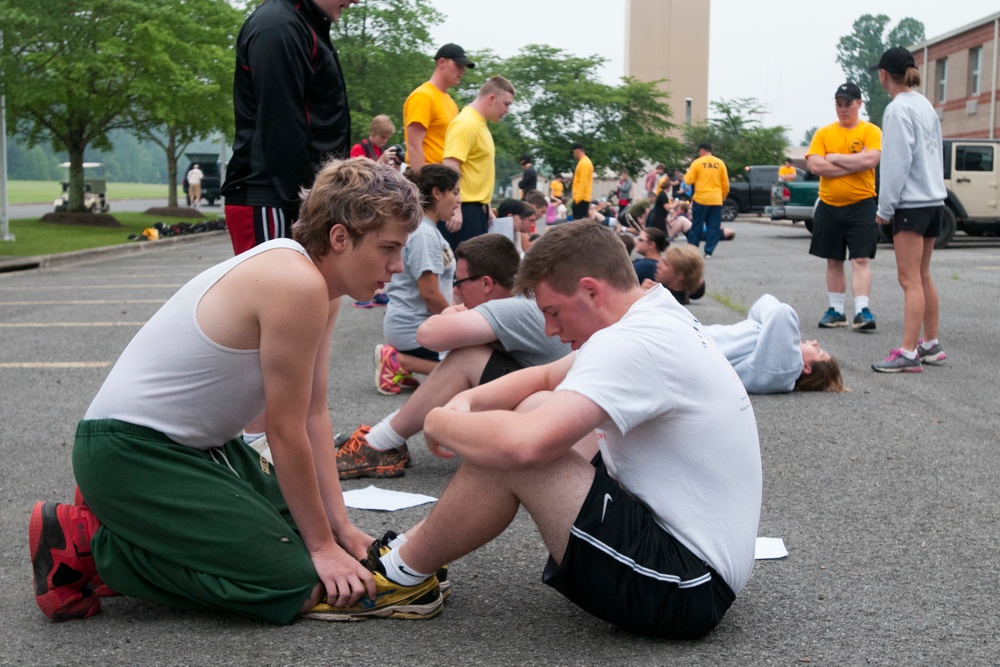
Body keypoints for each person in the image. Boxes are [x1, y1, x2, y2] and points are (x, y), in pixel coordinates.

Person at [28, 159, 447, 625]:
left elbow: (313, 416)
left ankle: (142, 525)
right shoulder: (296, 282)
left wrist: (340, 530)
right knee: (293, 578)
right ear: (340, 237)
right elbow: (284, 430)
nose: (396, 266)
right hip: (128, 453)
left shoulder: (320, 287)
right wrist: (323, 549)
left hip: (196, 450)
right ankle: (87, 542)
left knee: (305, 527)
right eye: (388, 248)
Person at [348, 221, 761, 638]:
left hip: (686, 587)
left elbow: (525, 446)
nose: (549, 329)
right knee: (537, 407)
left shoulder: (630, 343)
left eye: (553, 312)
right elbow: (547, 378)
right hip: (694, 567)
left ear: (590, 290)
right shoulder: (654, 311)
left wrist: (438, 420)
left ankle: (398, 578)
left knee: (517, 450)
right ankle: (411, 553)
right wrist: (466, 402)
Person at [336, 234, 572, 479]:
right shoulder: (521, 299)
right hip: (557, 408)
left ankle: (379, 442)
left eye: (460, 282)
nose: (455, 289)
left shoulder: (512, 307)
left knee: (468, 356)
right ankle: (384, 436)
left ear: (487, 284)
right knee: (473, 351)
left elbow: (428, 335)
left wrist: (456, 307)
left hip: (555, 416)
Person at [221, 0, 359, 256]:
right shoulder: (278, 25)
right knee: (275, 297)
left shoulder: (304, 24)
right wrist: (309, 208)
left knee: (309, 295)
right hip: (272, 196)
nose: (357, 1)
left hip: (297, 198)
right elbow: (282, 127)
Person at [871, 47, 948, 373]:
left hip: (911, 204)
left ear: (885, 75)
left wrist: (884, 208)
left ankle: (907, 352)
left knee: (909, 280)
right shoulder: (925, 105)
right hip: (933, 201)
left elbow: (895, 163)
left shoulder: (897, 109)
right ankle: (930, 345)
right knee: (923, 275)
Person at [806, 82, 882, 332]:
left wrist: (836, 158)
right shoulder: (824, 133)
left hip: (862, 204)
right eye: (839, 104)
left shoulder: (870, 131)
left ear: (859, 103)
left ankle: (862, 311)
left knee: (860, 258)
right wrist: (855, 163)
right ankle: (836, 311)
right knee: (833, 259)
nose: (843, 109)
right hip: (829, 205)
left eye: (848, 103)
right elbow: (815, 166)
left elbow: (872, 158)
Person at [377, 165, 459, 394]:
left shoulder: (428, 230)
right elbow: (430, 294)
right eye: (454, 192)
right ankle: (398, 361)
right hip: (413, 329)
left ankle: (404, 364)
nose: (458, 200)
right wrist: (459, 322)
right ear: (437, 192)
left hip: (417, 325)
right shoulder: (424, 233)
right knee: (470, 368)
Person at [704, 295, 844, 394]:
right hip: (701, 342)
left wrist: (772, 325)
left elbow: (783, 312)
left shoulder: (786, 367)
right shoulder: (777, 351)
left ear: (807, 368)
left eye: (818, 351)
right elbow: (763, 302)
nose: (815, 342)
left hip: (701, 351)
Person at [441, 76, 516, 250]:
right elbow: (451, 166)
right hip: (465, 210)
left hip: (477, 208)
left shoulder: (479, 124)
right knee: (463, 269)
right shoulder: (466, 123)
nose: (507, 110)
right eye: (506, 104)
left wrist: (487, 206)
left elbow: (478, 171)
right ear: (491, 98)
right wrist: (456, 207)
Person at [403, 43, 474, 171]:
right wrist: (422, 184)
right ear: (442, 63)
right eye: (458, 65)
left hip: (443, 176)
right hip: (427, 174)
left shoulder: (450, 102)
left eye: (463, 66)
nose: (462, 70)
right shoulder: (423, 96)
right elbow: (414, 146)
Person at [684, 143, 730, 258]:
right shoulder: (720, 163)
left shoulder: (697, 163)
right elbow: (726, 185)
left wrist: (687, 173)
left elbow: (688, 181)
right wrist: (722, 197)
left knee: (697, 225)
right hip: (716, 199)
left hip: (701, 198)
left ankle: (692, 250)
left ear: (702, 150)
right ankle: (708, 251)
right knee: (713, 226)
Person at [641, 243, 706, 305]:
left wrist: (641, 296)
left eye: (665, 264)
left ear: (680, 275)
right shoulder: (660, 294)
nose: (658, 265)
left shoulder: (663, 301)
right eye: (662, 261)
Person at [570, 142, 594, 221]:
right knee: (580, 224)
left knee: (578, 224)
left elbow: (583, 183)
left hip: (581, 199)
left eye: (573, 152)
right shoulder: (583, 162)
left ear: (577, 150)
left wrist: (577, 199)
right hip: (582, 198)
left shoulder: (584, 163)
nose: (574, 155)